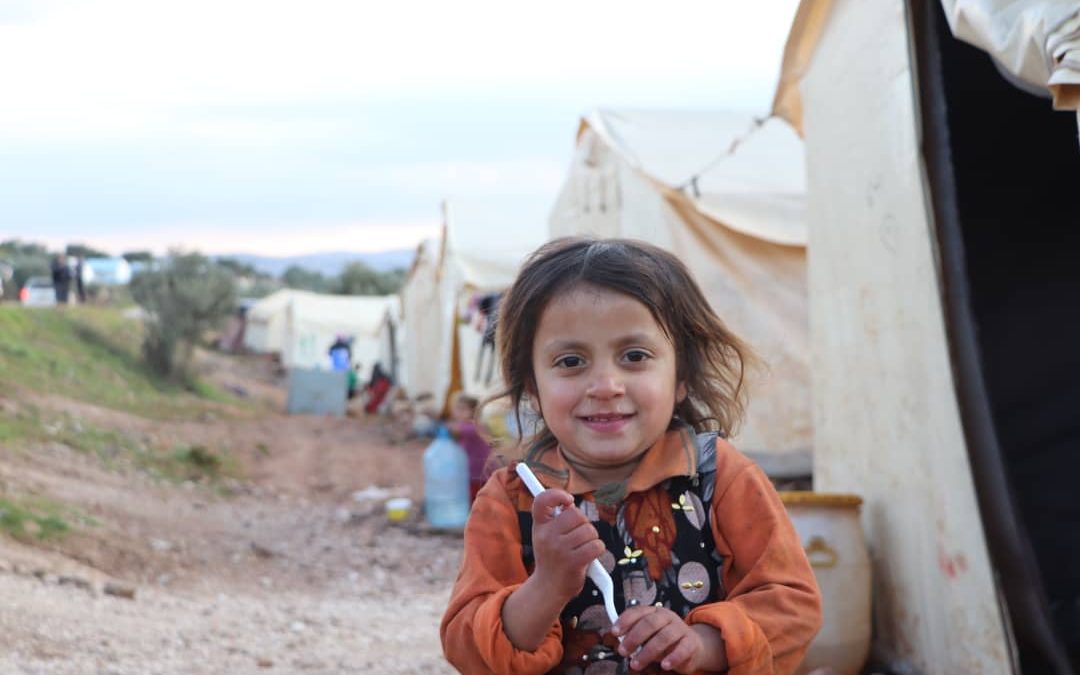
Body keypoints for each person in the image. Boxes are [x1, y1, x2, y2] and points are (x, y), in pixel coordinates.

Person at [441, 238, 822, 674]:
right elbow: (467, 646)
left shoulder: (721, 478)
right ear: (532, 385)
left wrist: (702, 643)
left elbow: (793, 606)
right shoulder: (511, 500)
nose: (605, 385)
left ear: (682, 375)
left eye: (635, 356)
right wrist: (547, 585)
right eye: (570, 361)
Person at [447, 392, 495, 504]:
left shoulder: (473, 426)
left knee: (478, 499)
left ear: (473, 411)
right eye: (456, 408)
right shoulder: (468, 426)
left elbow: (457, 430)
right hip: (473, 473)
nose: (457, 412)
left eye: (462, 409)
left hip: (479, 473)